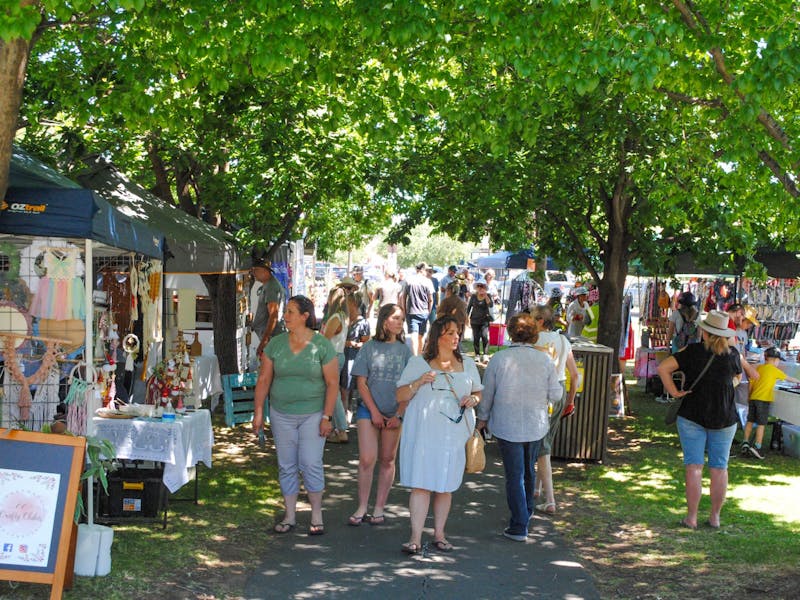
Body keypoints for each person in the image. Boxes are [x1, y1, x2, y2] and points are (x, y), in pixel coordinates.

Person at [252, 295, 339, 536]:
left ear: (305, 316)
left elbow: (332, 383)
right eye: (285, 311)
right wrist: (258, 411)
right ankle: (289, 516)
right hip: (281, 413)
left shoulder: (321, 345)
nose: (285, 316)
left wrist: (327, 417)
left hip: (313, 413)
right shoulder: (276, 344)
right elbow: (264, 379)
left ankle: (316, 515)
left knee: (310, 463)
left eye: (291, 312)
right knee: (286, 464)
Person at [396, 316, 483, 554]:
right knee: (422, 484)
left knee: (445, 485)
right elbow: (400, 395)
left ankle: (440, 534)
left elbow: (478, 392)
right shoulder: (419, 363)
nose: (456, 337)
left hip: (453, 435)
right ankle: (414, 537)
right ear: (438, 337)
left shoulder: (467, 363)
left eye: (458, 333)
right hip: (424, 433)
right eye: (450, 333)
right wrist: (418, 383)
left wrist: (473, 399)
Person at [477, 313, 561, 541]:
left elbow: (487, 395)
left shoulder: (499, 359)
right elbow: (556, 393)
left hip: (507, 424)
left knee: (514, 474)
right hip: (536, 423)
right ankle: (526, 513)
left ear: (511, 332)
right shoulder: (544, 360)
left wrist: (481, 419)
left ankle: (519, 523)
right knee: (528, 469)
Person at [656, 310, 742, 530]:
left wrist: (675, 392)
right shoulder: (732, 355)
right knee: (719, 468)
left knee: (693, 466)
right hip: (724, 417)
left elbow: (663, 368)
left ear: (704, 332)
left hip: (692, 414)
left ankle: (692, 517)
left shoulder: (691, 351)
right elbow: (737, 378)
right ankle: (715, 517)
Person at [348, 303, 412, 525]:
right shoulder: (370, 347)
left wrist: (399, 413)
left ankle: (379, 507)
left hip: (394, 409)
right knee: (367, 458)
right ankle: (362, 505)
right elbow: (361, 382)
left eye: (402, 319)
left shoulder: (405, 350)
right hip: (369, 408)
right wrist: (374, 412)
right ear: (384, 320)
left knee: (388, 459)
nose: (399, 323)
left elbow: (410, 386)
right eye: (396, 318)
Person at [529, 304, 579, 515]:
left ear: (540, 320)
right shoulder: (562, 340)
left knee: (542, 448)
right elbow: (575, 375)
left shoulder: (533, 341)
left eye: (532, 318)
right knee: (546, 442)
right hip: (558, 390)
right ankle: (537, 490)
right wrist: (570, 399)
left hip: (539, 393)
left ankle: (550, 499)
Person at [741, 347, 799, 459]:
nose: (778, 363)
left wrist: (749, 396)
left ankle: (745, 442)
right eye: (778, 360)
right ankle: (757, 447)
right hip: (763, 400)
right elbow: (788, 378)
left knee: (750, 421)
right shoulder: (774, 370)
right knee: (761, 424)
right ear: (774, 359)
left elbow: (751, 384)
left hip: (753, 398)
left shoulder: (758, 368)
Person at [320, 287, 353, 443]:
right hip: (338, 355)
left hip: (331, 356)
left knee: (334, 393)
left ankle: (341, 428)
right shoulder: (343, 317)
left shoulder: (335, 317)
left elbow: (325, 339)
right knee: (333, 391)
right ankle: (336, 428)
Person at [337, 293, 371, 439]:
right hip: (343, 354)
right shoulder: (343, 319)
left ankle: (346, 418)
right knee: (342, 389)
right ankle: (344, 418)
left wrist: (353, 344)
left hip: (354, 357)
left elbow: (366, 343)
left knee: (348, 389)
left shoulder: (362, 322)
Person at [249, 257, 285, 364]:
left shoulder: (271, 287)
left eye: (255, 270)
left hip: (272, 338)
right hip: (271, 338)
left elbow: (274, 315)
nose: (253, 273)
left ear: (264, 271)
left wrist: (264, 340)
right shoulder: (268, 285)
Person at [399, 262, 435, 356]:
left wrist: (404, 310)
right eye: (426, 270)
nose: (427, 272)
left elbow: (403, 297)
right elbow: (431, 299)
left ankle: (415, 356)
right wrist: (429, 311)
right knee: (421, 336)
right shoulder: (428, 282)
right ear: (422, 270)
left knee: (414, 336)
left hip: (411, 312)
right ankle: (419, 355)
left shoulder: (409, 280)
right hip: (424, 312)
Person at [467, 280, 495, 363]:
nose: (480, 288)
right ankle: (477, 355)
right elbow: (469, 307)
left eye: (482, 286)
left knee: (484, 336)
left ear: (485, 288)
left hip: (485, 320)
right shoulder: (473, 296)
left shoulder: (488, 295)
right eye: (478, 286)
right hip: (474, 320)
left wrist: (485, 295)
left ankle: (485, 355)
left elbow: (491, 305)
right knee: (476, 337)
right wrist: (466, 317)